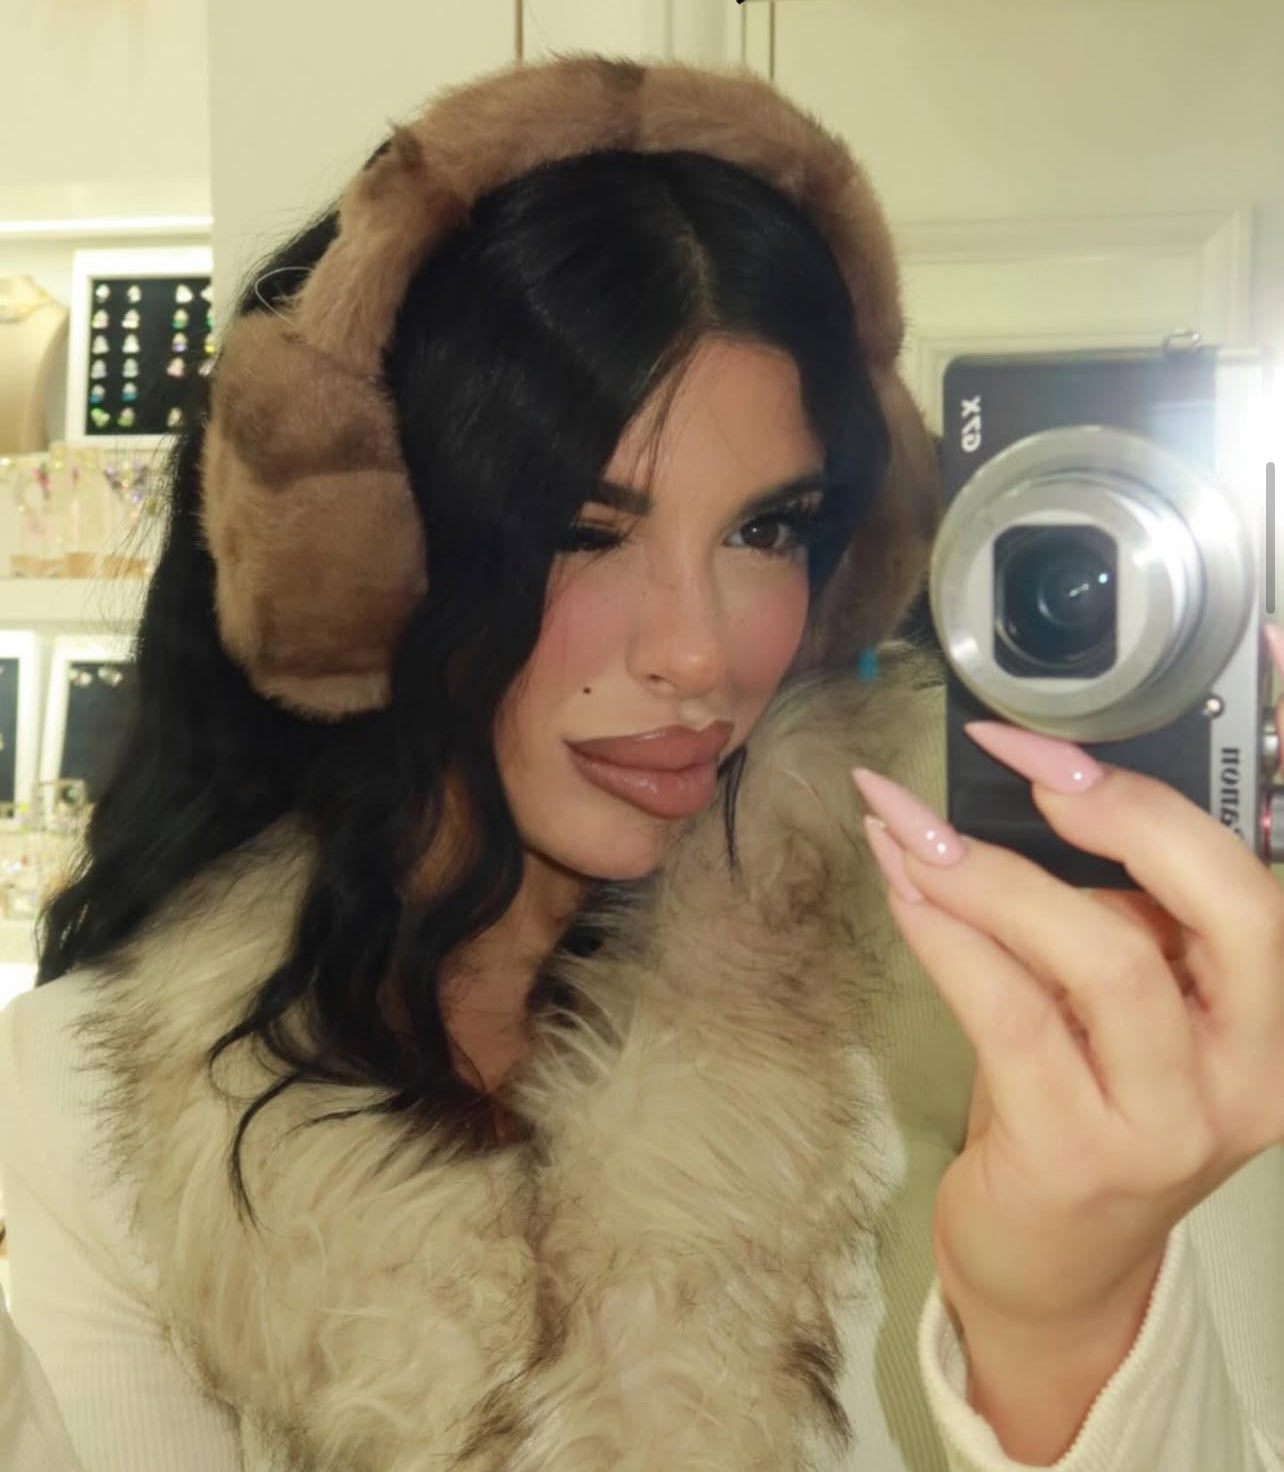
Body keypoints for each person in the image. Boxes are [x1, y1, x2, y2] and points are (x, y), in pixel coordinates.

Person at [0, 53, 1280, 1472]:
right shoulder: (92, 1112)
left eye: (767, 530)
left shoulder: (978, 1007)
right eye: (585, 530)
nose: (701, 651)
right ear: (363, 566)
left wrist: (1065, 1319)